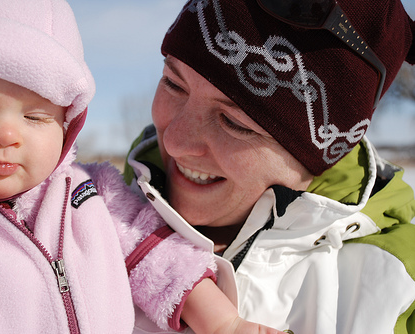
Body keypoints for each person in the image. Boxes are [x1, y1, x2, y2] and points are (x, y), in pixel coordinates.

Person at [0, 0, 286, 333]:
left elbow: (159, 258)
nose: (7, 134)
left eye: (36, 117)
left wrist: (223, 323)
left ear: (68, 125)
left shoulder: (91, 194)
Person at [124, 0, 415, 333]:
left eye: (234, 122)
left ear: (321, 155)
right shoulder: (76, 218)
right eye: (173, 84)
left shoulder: (399, 289)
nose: (176, 141)